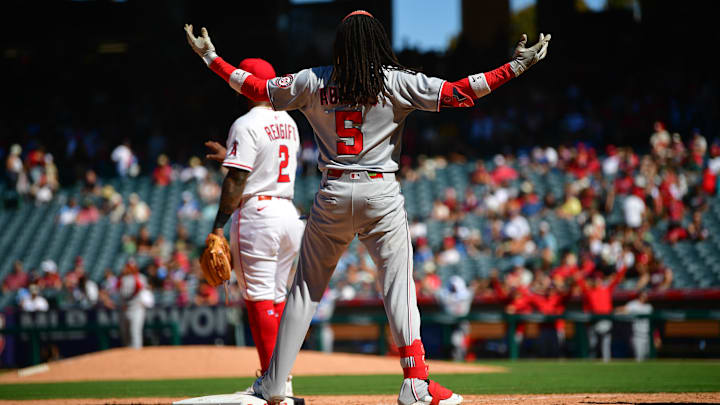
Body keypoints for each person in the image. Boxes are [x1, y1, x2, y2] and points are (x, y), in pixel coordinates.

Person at [186, 11, 550, 405]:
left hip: (333, 194)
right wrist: (514, 67)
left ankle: (274, 382)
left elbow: (255, 87)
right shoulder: (397, 80)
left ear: (340, 43)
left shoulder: (314, 78)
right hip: (381, 192)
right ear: (379, 40)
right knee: (398, 287)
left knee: (304, 291)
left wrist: (211, 59)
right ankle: (415, 380)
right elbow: (462, 92)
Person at [202, 58, 304, 397]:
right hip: (289, 213)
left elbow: (239, 178)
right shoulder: (289, 121)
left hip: (258, 215)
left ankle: (273, 386)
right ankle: (282, 380)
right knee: (275, 300)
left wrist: (218, 227)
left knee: (258, 300)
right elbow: (258, 165)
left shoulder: (246, 122)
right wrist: (229, 158)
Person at [616, 290, 653, 361]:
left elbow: (653, 323)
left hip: (648, 335)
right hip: (637, 335)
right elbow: (619, 311)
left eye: (646, 296)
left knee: (649, 357)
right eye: (643, 296)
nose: (645, 298)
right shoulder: (633, 304)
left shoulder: (649, 307)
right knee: (639, 358)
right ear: (639, 296)